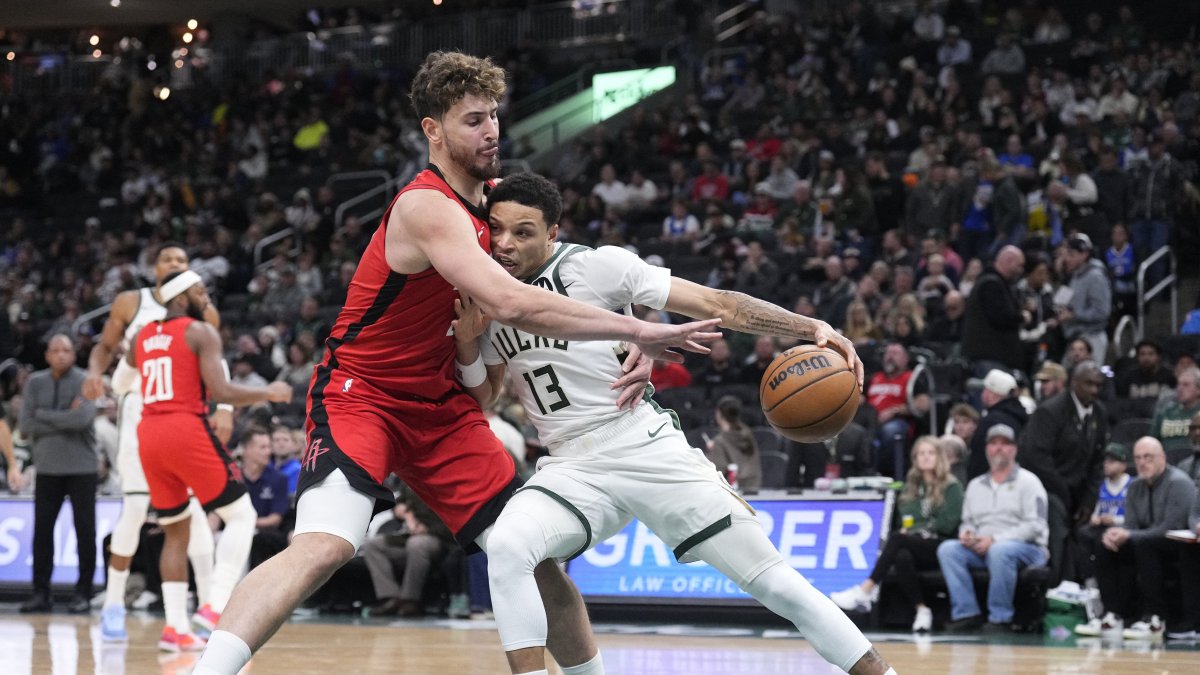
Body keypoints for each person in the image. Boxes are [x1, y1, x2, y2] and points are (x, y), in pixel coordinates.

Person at [193, 51, 722, 675]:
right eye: (473, 120)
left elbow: (576, 268)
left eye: (494, 116)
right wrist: (640, 327)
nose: (491, 131)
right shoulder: (426, 206)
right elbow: (508, 300)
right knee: (325, 545)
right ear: (432, 131)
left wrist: (633, 323)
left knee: (531, 558)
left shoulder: (503, 208)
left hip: (441, 406)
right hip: (362, 394)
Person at [452, 171, 894, 675]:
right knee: (508, 544)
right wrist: (467, 345)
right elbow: (484, 397)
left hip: (642, 445)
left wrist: (809, 325)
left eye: (523, 232)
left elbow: (718, 304)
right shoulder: (487, 294)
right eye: (498, 229)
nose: (505, 244)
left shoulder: (597, 267)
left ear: (552, 233)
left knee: (773, 581)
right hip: (569, 466)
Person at [127, 270, 293, 652]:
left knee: (176, 531)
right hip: (184, 427)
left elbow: (133, 369)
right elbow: (221, 391)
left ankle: (174, 628)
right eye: (199, 291)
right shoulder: (200, 332)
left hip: (148, 433)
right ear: (181, 297)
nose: (206, 296)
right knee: (242, 514)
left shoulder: (141, 336)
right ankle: (215, 605)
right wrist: (269, 391)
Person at [82, 242, 226, 642]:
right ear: (154, 266)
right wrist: (96, 373)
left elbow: (216, 360)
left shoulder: (203, 310)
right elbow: (105, 348)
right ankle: (113, 603)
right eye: (168, 259)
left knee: (194, 513)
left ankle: (206, 606)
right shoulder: (131, 302)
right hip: (139, 415)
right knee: (134, 510)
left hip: (184, 417)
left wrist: (225, 409)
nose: (175, 264)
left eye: (182, 259)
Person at [830, 436, 963, 632]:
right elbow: (907, 520)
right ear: (915, 459)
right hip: (916, 545)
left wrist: (917, 528)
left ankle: (866, 589)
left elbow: (946, 524)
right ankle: (922, 610)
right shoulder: (910, 489)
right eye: (921, 454)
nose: (926, 458)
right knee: (901, 556)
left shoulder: (952, 486)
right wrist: (919, 528)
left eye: (931, 453)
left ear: (940, 457)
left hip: (942, 546)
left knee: (898, 539)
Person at [938, 424, 1049, 633]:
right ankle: (967, 613)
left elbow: (1036, 526)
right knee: (948, 549)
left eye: (1005, 444)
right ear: (986, 449)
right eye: (994, 443)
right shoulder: (975, 485)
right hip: (983, 546)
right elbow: (967, 521)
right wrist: (967, 534)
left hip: (1028, 549)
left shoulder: (1029, 482)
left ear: (1014, 449)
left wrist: (995, 539)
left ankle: (1000, 618)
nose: (999, 448)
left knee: (1000, 551)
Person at [18, 334, 98, 614]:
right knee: (42, 533)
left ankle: (84, 594)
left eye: (67, 350)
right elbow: (25, 424)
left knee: (85, 533)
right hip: (48, 469)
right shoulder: (35, 382)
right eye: (56, 350)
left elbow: (83, 419)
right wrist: (64, 415)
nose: (61, 354)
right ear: (47, 354)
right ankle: (40, 593)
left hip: (83, 469)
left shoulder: (86, 379)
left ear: (74, 354)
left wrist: (45, 415)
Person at [1091, 437, 1199, 640]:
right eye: (1138, 458)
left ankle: (1155, 617)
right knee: (1103, 544)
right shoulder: (1135, 486)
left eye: (1148, 457)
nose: (1142, 463)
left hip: (1176, 545)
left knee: (1143, 544)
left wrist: (1129, 534)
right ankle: (1112, 614)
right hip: (1145, 541)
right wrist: (1115, 534)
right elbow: (1130, 525)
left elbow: (1169, 527)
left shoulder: (1179, 483)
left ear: (1163, 458)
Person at [1018, 361, 1108, 583]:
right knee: (1059, 533)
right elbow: (1036, 458)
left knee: (1084, 535)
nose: (1094, 390)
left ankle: (1081, 590)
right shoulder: (1050, 411)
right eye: (1089, 384)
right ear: (1073, 383)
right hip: (1046, 488)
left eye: (1098, 385)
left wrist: (1088, 500)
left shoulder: (1099, 412)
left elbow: (1097, 461)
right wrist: (1065, 494)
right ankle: (1055, 590)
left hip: (1078, 490)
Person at [362, 488, 454, 617]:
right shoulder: (409, 479)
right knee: (373, 545)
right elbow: (399, 503)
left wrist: (427, 528)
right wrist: (402, 512)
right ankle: (391, 597)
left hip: (439, 537)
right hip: (408, 536)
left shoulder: (443, 483)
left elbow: (453, 517)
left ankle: (410, 600)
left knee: (417, 544)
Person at [962, 246, 1026, 372]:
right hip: (990, 357)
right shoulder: (991, 284)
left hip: (990, 357)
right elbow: (1000, 317)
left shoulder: (990, 282)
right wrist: (1022, 317)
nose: (1021, 270)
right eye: (1019, 265)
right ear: (1008, 262)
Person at [237, 428, 291, 570]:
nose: (268, 452)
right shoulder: (234, 478)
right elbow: (216, 515)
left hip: (263, 532)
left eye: (269, 447)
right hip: (235, 528)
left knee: (256, 540)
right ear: (247, 449)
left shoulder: (279, 479)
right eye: (263, 447)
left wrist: (245, 523)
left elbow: (275, 519)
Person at [1056, 234, 1112, 364]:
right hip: (1075, 337)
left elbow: (1102, 312)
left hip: (1092, 338)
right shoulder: (1075, 275)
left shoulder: (1095, 277)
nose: (1066, 259)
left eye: (1071, 254)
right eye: (1065, 254)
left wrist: (1074, 315)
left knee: (1088, 377)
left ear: (1084, 254)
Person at [966, 370, 1028, 479]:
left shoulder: (990, 421)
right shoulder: (1020, 417)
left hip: (990, 483)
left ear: (992, 395)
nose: (982, 394)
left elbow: (979, 460)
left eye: (985, 390)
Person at [704, 395, 761, 493]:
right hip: (754, 489)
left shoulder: (719, 442)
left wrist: (710, 453)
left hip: (733, 495)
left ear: (719, 414)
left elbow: (716, 474)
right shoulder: (748, 433)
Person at [1151, 366, 1200, 465]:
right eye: (1179, 384)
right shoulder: (1165, 412)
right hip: (1166, 464)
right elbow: (1152, 442)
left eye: (1186, 385)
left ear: (1198, 390)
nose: (1180, 389)